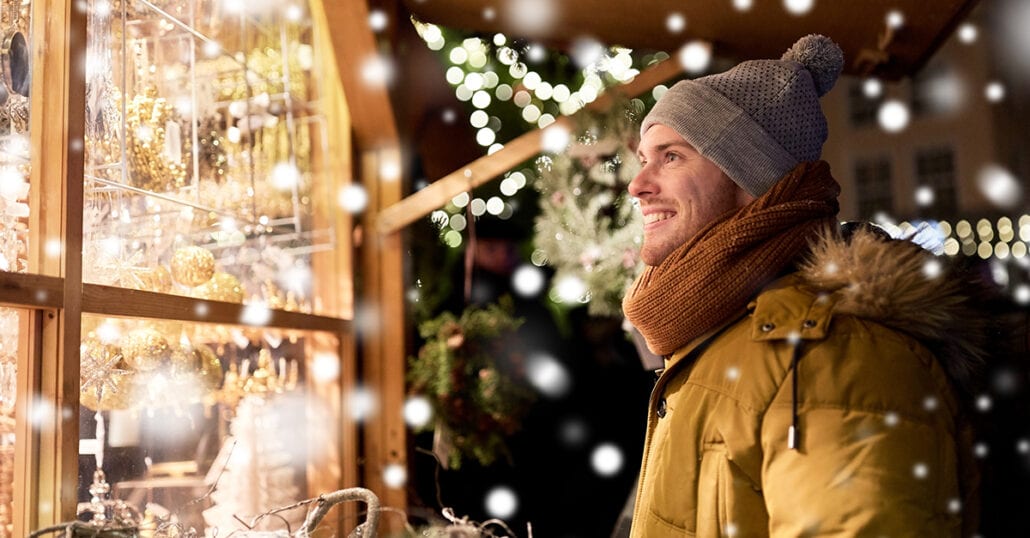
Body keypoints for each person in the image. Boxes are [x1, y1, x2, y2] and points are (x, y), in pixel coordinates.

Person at [621, 34, 988, 536]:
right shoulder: (714, 334)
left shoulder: (836, 356)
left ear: (749, 174)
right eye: (643, 158)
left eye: (671, 157)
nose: (637, 185)